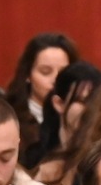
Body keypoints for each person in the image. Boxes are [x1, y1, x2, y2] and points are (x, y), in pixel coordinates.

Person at [5, 33, 80, 166]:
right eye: (46, 72)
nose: (56, 80)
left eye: (64, 72)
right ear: (28, 75)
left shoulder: (83, 117)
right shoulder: (9, 118)